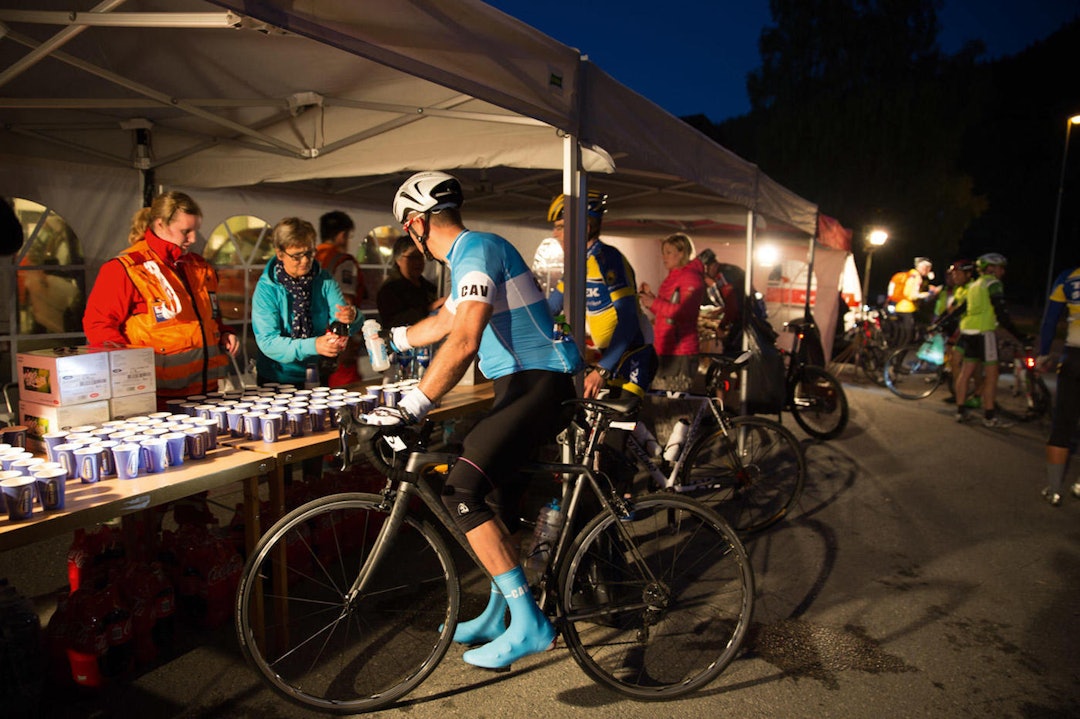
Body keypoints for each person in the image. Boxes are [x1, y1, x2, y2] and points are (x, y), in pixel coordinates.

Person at [367, 171, 582, 669]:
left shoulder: (476, 248)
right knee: (492, 493)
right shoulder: (472, 255)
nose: (410, 240)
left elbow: (464, 338)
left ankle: (529, 624)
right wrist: (398, 340)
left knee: (460, 491)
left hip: (540, 381)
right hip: (523, 383)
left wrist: (413, 405)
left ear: (417, 223)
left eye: (407, 230)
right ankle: (496, 613)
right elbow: (446, 322)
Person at [83, 191, 239, 409]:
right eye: (186, 231)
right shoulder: (125, 269)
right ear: (160, 224)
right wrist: (126, 372)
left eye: (196, 230)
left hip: (207, 394)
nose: (193, 238)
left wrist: (223, 332)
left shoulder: (199, 267)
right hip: (157, 401)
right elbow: (99, 326)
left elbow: (208, 316)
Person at [545, 191, 656, 398]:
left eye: (560, 227)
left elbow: (628, 320)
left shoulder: (607, 259)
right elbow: (551, 308)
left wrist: (603, 369)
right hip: (609, 355)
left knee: (615, 428)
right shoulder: (578, 264)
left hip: (633, 354)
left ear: (583, 228)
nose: (555, 234)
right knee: (600, 427)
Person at [251, 217, 361, 387]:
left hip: (317, 372)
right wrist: (314, 345)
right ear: (280, 253)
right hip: (277, 377)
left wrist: (352, 317)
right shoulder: (267, 288)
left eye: (309, 253)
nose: (305, 261)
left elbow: (341, 322)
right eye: (296, 256)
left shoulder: (324, 280)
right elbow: (268, 342)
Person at [954, 253, 1025, 427]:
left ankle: (960, 411)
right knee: (992, 375)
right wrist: (1019, 335)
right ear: (991, 268)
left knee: (965, 373)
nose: (1003, 272)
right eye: (1001, 268)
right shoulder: (993, 283)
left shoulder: (974, 285)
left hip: (968, 331)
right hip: (985, 331)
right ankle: (989, 416)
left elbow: (961, 309)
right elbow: (1001, 313)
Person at [638, 232, 707, 391]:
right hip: (665, 347)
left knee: (673, 402)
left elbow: (686, 312)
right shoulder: (673, 277)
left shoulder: (690, 277)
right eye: (663, 252)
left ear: (682, 253)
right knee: (660, 400)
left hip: (680, 350)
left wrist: (654, 302)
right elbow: (667, 313)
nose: (664, 257)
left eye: (669, 252)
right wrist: (650, 300)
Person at [1036, 264, 1080, 506]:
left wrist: (1044, 354)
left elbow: (1050, 320)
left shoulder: (1068, 277)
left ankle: (1054, 489)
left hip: (1073, 357)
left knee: (1062, 423)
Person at [316, 211, 364, 386]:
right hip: (337, 339)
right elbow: (345, 305)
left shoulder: (311, 258)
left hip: (314, 340)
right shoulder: (343, 261)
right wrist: (346, 344)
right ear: (342, 235)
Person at [376, 234, 444, 327]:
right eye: (412, 257)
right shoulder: (389, 290)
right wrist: (429, 309)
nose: (418, 262)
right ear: (398, 259)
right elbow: (394, 321)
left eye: (420, 257)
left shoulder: (429, 287)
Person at [889, 257, 940, 346]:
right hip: (907, 308)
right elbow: (912, 295)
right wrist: (929, 294)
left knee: (901, 336)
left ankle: (895, 355)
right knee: (907, 336)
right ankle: (898, 356)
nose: (928, 271)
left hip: (900, 307)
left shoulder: (911, 274)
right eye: (927, 268)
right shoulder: (916, 277)